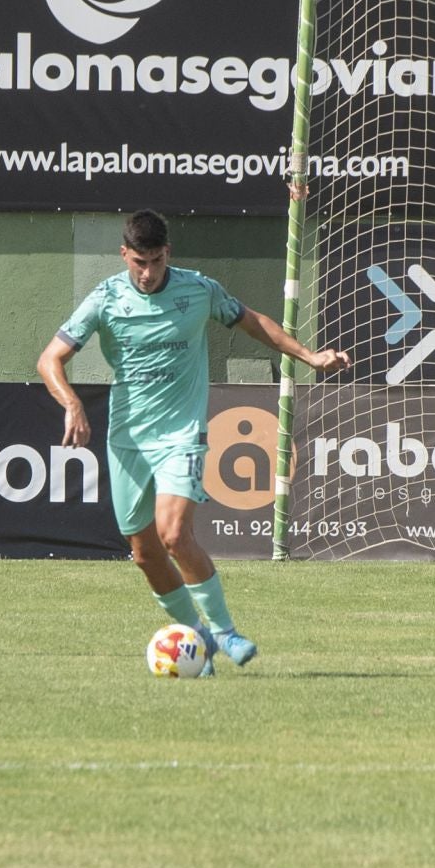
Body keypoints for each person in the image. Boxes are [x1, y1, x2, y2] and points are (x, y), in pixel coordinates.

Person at [37, 209, 350, 670]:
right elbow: (50, 359)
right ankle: (196, 637)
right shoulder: (105, 299)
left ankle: (225, 630)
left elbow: (251, 320)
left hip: (181, 434)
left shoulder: (198, 289)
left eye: (156, 261)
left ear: (169, 253)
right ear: (125, 254)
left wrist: (308, 356)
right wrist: (72, 403)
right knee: (144, 554)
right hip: (127, 441)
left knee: (173, 534)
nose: (147, 273)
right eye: (138, 262)